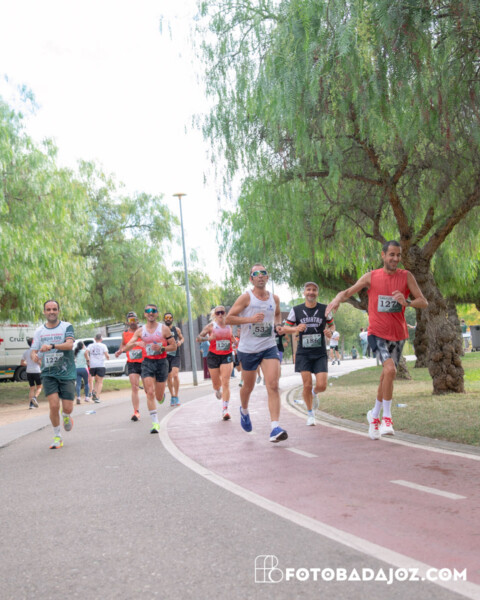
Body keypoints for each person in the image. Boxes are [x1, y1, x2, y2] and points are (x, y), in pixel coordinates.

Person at [326, 240, 428, 440]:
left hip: (398, 334)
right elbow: (347, 292)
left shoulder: (406, 276)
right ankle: (387, 418)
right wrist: (337, 299)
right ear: (383, 255)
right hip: (377, 333)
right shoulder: (371, 277)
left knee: (386, 377)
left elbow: (423, 301)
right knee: (390, 370)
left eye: (398, 255)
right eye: (392, 255)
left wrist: (406, 302)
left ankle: (374, 415)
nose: (395, 258)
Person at [226, 264, 287, 442]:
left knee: (273, 385)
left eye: (263, 273)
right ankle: (244, 410)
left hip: (269, 346)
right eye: (256, 273)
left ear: (267, 277)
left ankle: (275, 427)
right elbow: (229, 318)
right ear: (251, 279)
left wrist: (277, 325)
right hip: (248, 349)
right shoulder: (246, 297)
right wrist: (250, 319)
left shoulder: (274, 298)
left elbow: (277, 314)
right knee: (248, 387)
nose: (260, 276)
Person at [279, 282, 334, 426]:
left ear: (317, 293)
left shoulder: (325, 309)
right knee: (307, 385)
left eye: (314, 290)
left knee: (322, 385)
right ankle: (310, 414)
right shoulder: (296, 310)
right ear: (304, 293)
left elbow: (332, 325)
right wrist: (296, 328)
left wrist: (330, 331)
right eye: (308, 290)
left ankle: (314, 394)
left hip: (320, 352)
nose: (311, 292)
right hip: (303, 353)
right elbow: (285, 328)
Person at [123, 304, 176, 434]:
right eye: (148, 311)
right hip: (147, 363)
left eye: (153, 311)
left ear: (157, 313)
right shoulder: (140, 331)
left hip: (161, 363)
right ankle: (155, 423)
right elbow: (126, 347)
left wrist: (162, 348)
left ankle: (161, 395)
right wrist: (135, 343)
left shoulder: (164, 329)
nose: (150, 313)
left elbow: (174, 346)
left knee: (158, 396)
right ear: (145, 314)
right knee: (150, 392)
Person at [30, 300, 76, 449]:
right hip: (48, 373)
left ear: (58, 311)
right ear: (44, 312)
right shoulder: (39, 331)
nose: (51, 312)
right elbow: (33, 351)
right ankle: (57, 436)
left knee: (67, 407)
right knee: (54, 405)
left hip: (67, 371)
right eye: (48, 309)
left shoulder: (66, 326)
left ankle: (66, 416)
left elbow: (69, 344)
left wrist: (52, 346)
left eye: (54, 309)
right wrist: (34, 356)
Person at [197, 306, 235, 420]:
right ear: (215, 315)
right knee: (216, 383)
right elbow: (198, 338)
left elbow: (231, 336)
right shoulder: (210, 326)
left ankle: (225, 410)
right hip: (213, 356)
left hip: (227, 355)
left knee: (226, 382)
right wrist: (208, 339)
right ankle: (217, 389)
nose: (220, 315)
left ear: (225, 313)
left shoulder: (229, 325)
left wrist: (236, 343)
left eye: (222, 312)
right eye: (218, 313)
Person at [115, 311, 145, 421]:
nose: (132, 322)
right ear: (127, 322)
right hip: (132, 362)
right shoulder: (125, 334)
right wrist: (120, 351)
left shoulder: (143, 331)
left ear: (137, 320)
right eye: (130, 320)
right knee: (134, 387)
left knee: (148, 388)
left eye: (134, 319)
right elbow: (123, 345)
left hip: (145, 361)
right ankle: (136, 412)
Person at [163, 312, 184, 407]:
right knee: (169, 377)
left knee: (175, 375)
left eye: (170, 317)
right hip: (165, 355)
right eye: (166, 317)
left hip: (175, 354)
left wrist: (180, 342)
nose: (168, 319)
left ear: (172, 319)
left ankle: (176, 395)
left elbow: (182, 338)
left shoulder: (176, 329)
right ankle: (172, 396)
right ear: (164, 319)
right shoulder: (162, 330)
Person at [85, 333, 109, 403]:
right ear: (101, 339)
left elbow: (85, 353)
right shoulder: (103, 345)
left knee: (96, 381)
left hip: (92, 365)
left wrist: (88, 360)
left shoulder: (90, 345)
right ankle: (97, 397)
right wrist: (108, 357)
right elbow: (106, 355)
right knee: (100, 381)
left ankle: (94, 394)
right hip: (100, 365)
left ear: (95, 339)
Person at [21, 337, 42, 409]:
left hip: (29, 371)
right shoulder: (37, 352)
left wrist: (28, 364)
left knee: (32, 388)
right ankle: (34, 398)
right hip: (37, 371)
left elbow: (22, 363)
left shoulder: (26, 352)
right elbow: (40, 363)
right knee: (39, 387)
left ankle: (31, 405)